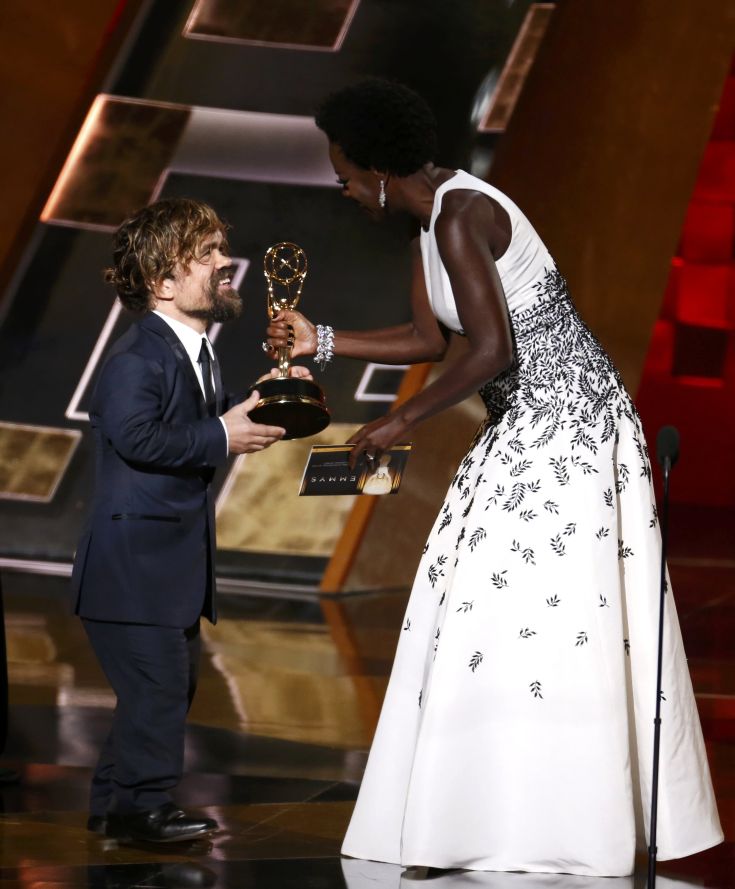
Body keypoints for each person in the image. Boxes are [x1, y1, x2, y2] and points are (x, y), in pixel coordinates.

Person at [265, 79, 723, 876]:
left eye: (342, 171)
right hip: (524, 424)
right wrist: (322, 340)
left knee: (528, 604)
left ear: (375, 167)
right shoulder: (427, 230)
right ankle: (481, 811)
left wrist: (400, 420)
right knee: (472, 599)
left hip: (570, 424)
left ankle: (561, 822)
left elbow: (491, 349)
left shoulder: (461, 215)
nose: (339, 186)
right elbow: (425, 336)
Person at [71, 197, 308, 844]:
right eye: (202, 255)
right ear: (163, 282)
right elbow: (138, 437)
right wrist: (219, 434)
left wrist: (274, 397)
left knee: (160, 689)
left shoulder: (194, 353)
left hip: (165, 567)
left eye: (217, 249)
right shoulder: (137, 359)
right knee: (158, 693)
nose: (221, 264)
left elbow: (212, 422)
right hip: (134, 566)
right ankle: (141, 811)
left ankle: (113, 803)